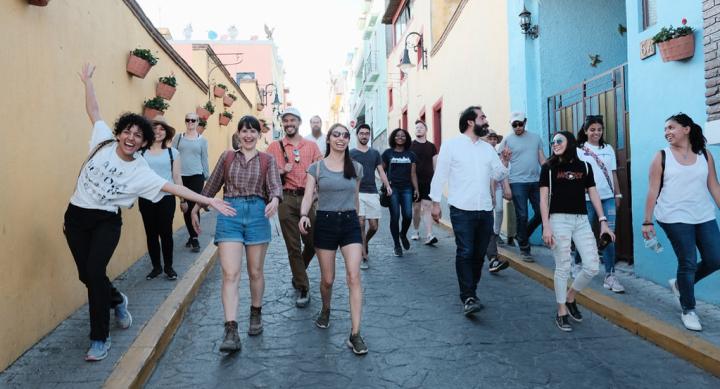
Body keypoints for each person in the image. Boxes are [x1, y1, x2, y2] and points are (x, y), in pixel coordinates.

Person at [66, 63, 235, 361]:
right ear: (120, 133)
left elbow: (174, 188)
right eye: (128, 132)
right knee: (87, 275)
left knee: (94, 272)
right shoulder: (103, 142)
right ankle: (117, 299)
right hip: (76, 218)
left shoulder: (140, 171)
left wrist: (207, 201)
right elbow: (94, 111)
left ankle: (99, 338)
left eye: (138, 136)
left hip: (106, 220)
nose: (131, 138)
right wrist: (87, 82)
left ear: (144, 143)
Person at [192, 115, 282, 352]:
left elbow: (275, 187)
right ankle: (231, 330)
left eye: (253, 131)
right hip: (230, 212)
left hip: (257, 213)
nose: (249, 135)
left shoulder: (267, 159)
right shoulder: (227, 156)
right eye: (244, 131)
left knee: (255, 272)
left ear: (259, 134)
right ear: (238, 134)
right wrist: (197, 206)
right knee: (230, 273)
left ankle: (255, 313)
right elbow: (212, 184)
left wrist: (274, 200)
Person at [642, 113, 720, 332]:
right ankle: (689, 309)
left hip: (703, 214)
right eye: (665, 129)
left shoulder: (705, 154)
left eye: (671, 128)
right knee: (687, 260)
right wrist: (647, 221)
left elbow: (714, 185)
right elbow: (652, 190)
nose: (667, 132)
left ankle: (679, 285)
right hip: (673, 216)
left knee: (716, 258)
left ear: (686, 129)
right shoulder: (661, 156)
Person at [430, 106, 510, 316]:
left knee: (478, 254)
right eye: (483, 117)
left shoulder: (487, 149)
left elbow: (498, 174)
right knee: (465, 251)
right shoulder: (451, 146)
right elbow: (440, 175)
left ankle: (471, 289)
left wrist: (505, 162)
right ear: (471, 122)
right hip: (461, 209)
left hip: (484, 209)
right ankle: (468, 296)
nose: (486, 121)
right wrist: (436, 202)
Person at [299, 123, 367, 355]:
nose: (341, 138)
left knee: (353, 276)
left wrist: (359, 219)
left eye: (345, 135)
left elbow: (355, 196)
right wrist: (302, 216)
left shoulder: (356, 167)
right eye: (336, 135)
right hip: (325, 223)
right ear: (328, 139)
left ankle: (355, 333)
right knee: (328, 279)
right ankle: (326, 309)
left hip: (349, 223)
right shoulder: (316, 169)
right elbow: (308, 196)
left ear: (348, 140)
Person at [539, 131, 613, 332]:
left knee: (592, 266)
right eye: (553, 141)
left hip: (581, 221)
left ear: (570, 143)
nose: (555, 144)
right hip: (558, 220)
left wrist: (603, 221)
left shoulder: (585, 166)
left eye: (559, 141)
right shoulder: (548, 167)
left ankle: (571, 296)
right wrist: (546, 225)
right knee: (563, 266)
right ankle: (561, 309)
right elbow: (543, 199)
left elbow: (594, 194)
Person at [266, 107, 322, 308]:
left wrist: (317, 193)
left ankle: (300, 272)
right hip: (287, 199)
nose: (289, 124)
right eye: (286, 121)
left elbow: (321, 171)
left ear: (299, 122)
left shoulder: (312, 146)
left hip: (308, 199)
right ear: (283, 124)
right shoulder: (274, 146)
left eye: (293, 120)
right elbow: (268, 173)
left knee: (313, 243)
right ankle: (303, 286)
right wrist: (282, 170)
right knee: (293, 247)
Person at [574, 115, 625, 293]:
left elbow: (613, 172)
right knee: (585, 233)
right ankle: (578, 263)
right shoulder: (580, 150)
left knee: (609, 235)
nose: (596, 132)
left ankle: (610, 275)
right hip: (587, 199)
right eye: (592, 129)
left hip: (608, 197)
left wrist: (617, 193)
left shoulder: (608, 148)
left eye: (599, 129)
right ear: (586, 131)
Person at [139, 116, 183, 281]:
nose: (158, 132)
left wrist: (183, 200)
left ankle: (169, 267)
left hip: (167, 198)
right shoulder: (141, 152)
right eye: (155, 128)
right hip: (146, 198)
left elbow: (177, 177)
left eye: (162, 129)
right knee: (151, 234)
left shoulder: (173, 153)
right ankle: (156, 267)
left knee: (166, 233)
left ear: (166, 133)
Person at [499, 112, 545, 261]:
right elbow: (502, 163)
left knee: (542, 213)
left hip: (535, 181)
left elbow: (541, 159)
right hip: (516, 181)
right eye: (514, 125)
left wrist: (550, 175)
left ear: (525, 122)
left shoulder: (536, 138)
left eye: (520, 124)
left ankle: (521, 235)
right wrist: (505, 185)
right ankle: (525, 249)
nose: (518, 127)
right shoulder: (507, 139)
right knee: (522, 215)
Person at [350, 124, 392, 269]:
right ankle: (363, 254)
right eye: (361, 133)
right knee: (361, 222)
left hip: (372, 191)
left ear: (369, 136)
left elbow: (381, 171)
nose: (364, 136)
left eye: (367, 133)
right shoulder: (351, 153)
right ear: (357, 135)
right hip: (357, 192)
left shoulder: (374, 153)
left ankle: (365, 242)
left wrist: (387, 185)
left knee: (373, 226)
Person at [173, 112, 209, 253]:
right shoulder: (179, 138)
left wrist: (207, 176)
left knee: (194, 206)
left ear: (197, 122)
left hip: (196, 176)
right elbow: (173, 156)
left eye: (193, 120)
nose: (190, 122)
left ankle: (194, 238)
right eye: (187, 120)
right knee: (185, 207)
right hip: (181, 177)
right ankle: (192, 234)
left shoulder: (202, 140)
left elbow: (204, 158)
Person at [382, 128, 419, 257]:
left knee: (408, 215)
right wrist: (387, 185)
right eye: (397, 135)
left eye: (403, 136)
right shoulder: (388, 153)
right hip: (393, 190)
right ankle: (397, 244)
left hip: (407, 188)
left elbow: (413, 174)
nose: (400, 137)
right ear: (393, 138)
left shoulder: (411, 155)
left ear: (406, 138)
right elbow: (381, 171)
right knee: (395, 216)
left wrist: (416, 189)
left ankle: (402, 234)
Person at [482, 130, 513, 273]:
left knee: (496, 213)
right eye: (490, 138)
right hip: (482, 192)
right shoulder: (481, 155)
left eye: (495, 139)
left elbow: (501, 174)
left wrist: (506, 188)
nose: (493, 141)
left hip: (495, 188)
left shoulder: (499, 155)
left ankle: (493, 255)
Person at [410, 120, 439, 246]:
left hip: (428, 181)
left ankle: (429, 235)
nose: (419, 129)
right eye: (416, 127)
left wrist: (436, 180)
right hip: (414, 182)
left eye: (421, 127)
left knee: (427, 207)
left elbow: (435, 164)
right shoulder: (410, 145)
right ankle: (416, 231)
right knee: (416, 208)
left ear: (426, 130)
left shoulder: (432, 146)